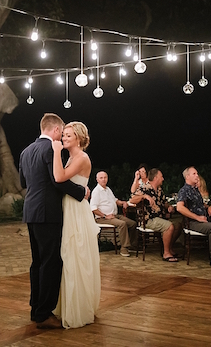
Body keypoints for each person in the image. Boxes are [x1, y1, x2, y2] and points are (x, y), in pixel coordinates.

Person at [19, 113, 88, 330]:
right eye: (63, 132)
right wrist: (80, 191)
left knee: (37, 262)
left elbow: (23, 182)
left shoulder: (26, 151)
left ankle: (35, 308)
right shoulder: (50, 149)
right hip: (48, 212)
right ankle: (43, 314)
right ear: (56, 130)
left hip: (31, 210)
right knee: (51, 263)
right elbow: (57, 181)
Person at [50, 121, 101, 329]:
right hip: (70, 206)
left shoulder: (81, 157)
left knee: (75, 255)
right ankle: (67, 305)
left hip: (76, 211)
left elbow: (60, 177)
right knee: (68, 255)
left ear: (79, 138)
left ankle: (78, 309)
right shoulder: (72, 156)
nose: (64, 139)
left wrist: (55, 151)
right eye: (63, 135)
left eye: (68, 136)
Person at [176, 166, 211, 268]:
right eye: (194, 174)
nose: (197, 176)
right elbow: (179, 208)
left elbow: (198, 204)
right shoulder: (184, 190)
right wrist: (197, 217)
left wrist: (208, 206)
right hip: (193, 223)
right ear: (187, 177)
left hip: (205, 220)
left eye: (197, 173)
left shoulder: (196, 190)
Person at [129, 168, 180, 262]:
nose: (163, 179)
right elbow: (132, 200)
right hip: (148, 219)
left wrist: (168, 207)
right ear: (156, 178)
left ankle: (169, 248)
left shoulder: (159, 190)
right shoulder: (145, 188)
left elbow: (164, 202)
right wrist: (144, 196)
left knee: (178, 225)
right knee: (169, 226)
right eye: (161, 177)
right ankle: (166, 253)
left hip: (160, 217)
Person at [90, 170, 137, 257]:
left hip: (114, 215)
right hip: (102, 218)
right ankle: (124, 248)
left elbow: (115, 200)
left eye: (105, 177)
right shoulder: (96, 192)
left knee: (132, 223)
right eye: (101, 178)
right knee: (122, 224)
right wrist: (105, 216)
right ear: (97, 179)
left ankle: (132, 245)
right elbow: (93, 208)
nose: (103, 179)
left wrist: (122, 203)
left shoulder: (108, 189)